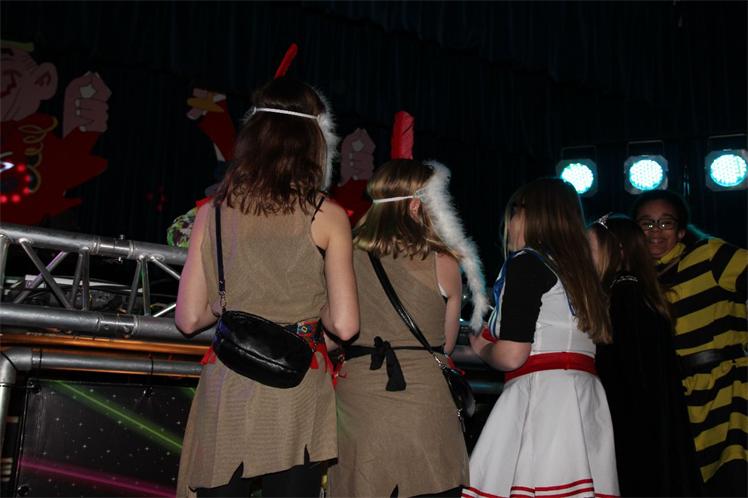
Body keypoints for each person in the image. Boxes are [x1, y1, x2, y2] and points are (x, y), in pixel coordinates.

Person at [174, 77, 359, 498]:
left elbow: (188, 319)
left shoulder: (212, 212)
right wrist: (316, 311)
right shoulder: (327, 215)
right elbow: (345, 326)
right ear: (314, 143)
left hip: (228, 383)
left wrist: (235, 303)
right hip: (298, 384)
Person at [327, 159, 489, 498]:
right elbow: (445, 344)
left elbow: (332, 335)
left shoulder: (345, 255)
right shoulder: (444, 262)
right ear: (416, 204)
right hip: (425, 404)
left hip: (361, 403)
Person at [464, 178, 619, 498]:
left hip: (544, 396)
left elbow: (512, 355)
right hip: (583, 398)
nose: (508, 222)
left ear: (527, 214)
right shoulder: (580, 272)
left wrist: (482, 348)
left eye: (513, 212)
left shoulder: (526, 262)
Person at [632, 189, 747, 496]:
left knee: (734, 478)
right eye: (647, 223)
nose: (656, 231)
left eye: (666, 223)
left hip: (729, 390)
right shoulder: (637, 282)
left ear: (681, 231)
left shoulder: (709, 255)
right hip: (680, 399)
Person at [589, 214, 702, 496]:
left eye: (590, 247)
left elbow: (630, 376)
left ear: (617, 250)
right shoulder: (637, 292)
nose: (583, 256)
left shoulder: (623, 296)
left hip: (634, 430)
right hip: (651, 427)